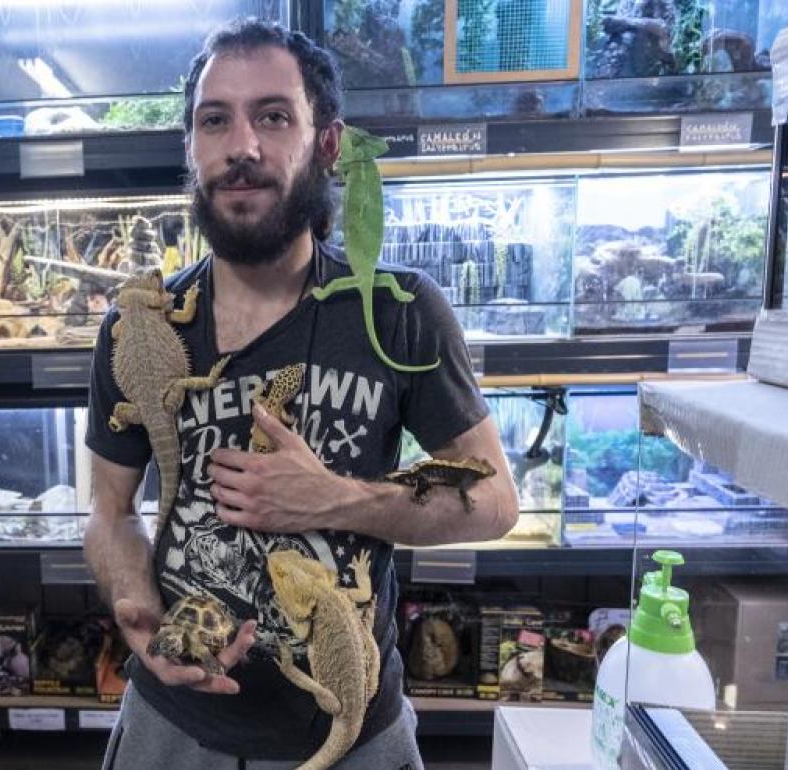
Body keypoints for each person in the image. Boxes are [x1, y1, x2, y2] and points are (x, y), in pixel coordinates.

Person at [84, 19, 520, 770]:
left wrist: (333, 499)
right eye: (214, 121)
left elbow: (495, 501)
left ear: (327, 143)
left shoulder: (399, 310)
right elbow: (109, 513)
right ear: (191, 147)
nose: (242, 146)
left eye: (273, 116)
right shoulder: (139, 324)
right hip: (169, 728)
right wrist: (138, 609)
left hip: (352, 731)